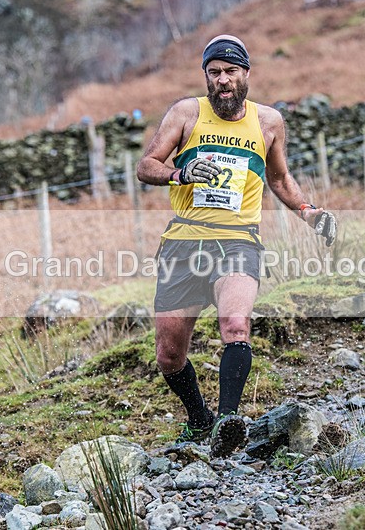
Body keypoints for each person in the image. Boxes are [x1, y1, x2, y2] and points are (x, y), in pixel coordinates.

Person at [136, 34, 337, 458]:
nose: (222, 81)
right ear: (206, 77)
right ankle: (199, 419)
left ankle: (227, 423)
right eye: (214, 73)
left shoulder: (268, 122)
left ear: (246, 74)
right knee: (169, 355)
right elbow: (147, 165)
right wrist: (181, 172)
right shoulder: (187, 112)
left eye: (230, 72)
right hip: (183, 242)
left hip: (238, 240)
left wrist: (310, 211)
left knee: (235, 325)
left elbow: (279, 179)